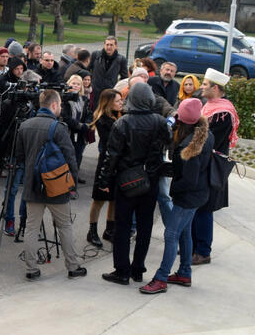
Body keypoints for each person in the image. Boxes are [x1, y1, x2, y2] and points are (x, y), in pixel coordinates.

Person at [100, 83, 171, 285]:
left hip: (127, 181)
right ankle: (138, 269)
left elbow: (111, 155)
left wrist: (105, 180)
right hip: (150, 180)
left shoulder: (122, 123)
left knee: (122, 226)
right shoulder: (159, 122)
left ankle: (122, 270)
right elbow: (166, 146)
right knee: (145, 225)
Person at [13, 90, 88, 281]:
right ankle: (72, 266)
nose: (61, 107)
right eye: (60, 104)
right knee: (64, 226)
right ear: (54, 105)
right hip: (56, 185)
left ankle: (31, 269)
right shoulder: (59, 128)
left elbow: (19, 157)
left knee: (31, 227)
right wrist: (72, 185)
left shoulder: (25, 125)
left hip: (33, 185)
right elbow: (70, 157)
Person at [140, 98, 212, 294]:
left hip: (188, 197)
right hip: (199, 194)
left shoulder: (188, 148)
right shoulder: (206, 134)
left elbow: (188, 180)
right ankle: (184, 272)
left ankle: (161, 278)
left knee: (171, 234)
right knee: (184, 232)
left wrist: (173, 189)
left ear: (183, 120)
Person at [192, 68, 239, 266]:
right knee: (196, 207)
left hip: (210, 167)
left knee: (204, 208)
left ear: (216, 88)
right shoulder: (210, 107)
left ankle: (203, 251)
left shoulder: (222, 113)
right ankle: (193, 247)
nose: (201, 87)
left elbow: (209, 141)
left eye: (205, 84)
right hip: (203, 164)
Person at [86, 89, 122, 247]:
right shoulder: (104, 120)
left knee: (114, 198)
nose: (121, 103)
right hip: (107, 162)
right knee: (99, 199)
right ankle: (91, 231)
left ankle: (110, 229)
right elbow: (111, 143)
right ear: (109, 103)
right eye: (118, 101)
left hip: (118, 163)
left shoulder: (118, 116)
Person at [90, 36, 129, 104]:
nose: (109, 47)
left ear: (116, 46)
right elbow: (88, 69)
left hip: (110, 92)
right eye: (107, 44)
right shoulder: (96, 55)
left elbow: (124, 77)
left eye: (111, 45)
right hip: (95, 90)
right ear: (104, 45)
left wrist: (117, 88)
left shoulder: (121, 59)